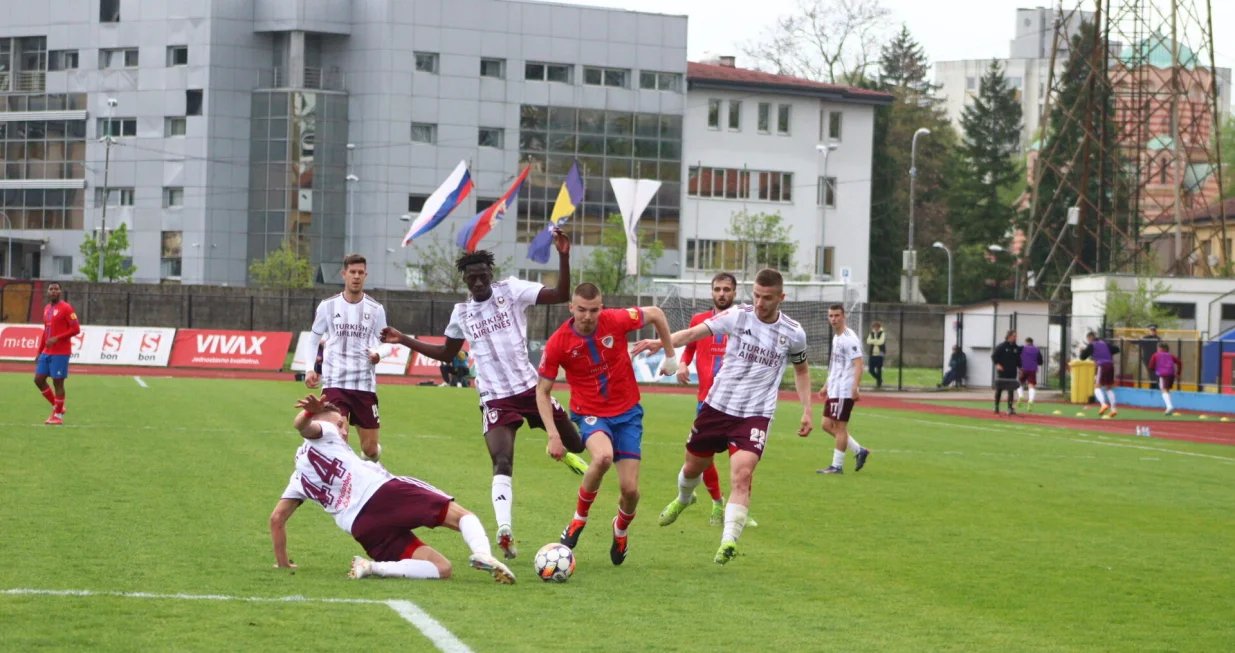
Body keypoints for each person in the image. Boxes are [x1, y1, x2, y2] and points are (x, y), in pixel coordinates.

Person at [382, 232, 587, 561]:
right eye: (471, 278)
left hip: (531, 390)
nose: (478, 283)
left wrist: (563, 255)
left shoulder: (512, 291)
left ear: (491, 274)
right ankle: (505, 530)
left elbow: (561, 294)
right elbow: (447, 354)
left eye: (482, 276)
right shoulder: (461, 313)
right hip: (495, 398)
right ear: (464, 280)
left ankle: (567, 455)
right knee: (502, 460)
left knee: (576, 444)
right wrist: (403, 339)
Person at [639, 268, 813, 565]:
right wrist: (662, 343)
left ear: (781, 298)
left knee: (742, 475)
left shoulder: (794, 333)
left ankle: (728, 541)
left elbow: (801, 370)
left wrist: (807, 409)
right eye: (756, 295)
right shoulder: (738, 316)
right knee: (692, 467)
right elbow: (693, 333)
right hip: (717, 405)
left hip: (755, 414)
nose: (760, 303)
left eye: (767, 298)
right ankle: (685, 498)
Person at [268, 394, 515, 584]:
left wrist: (282, 563)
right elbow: (302, 426)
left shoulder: (298, 477)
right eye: (340, 424)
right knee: (462, 516)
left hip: (362, 528)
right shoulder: (326, 431)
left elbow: (277, 519)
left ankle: (371, 567)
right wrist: (309, 413)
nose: (344, 431)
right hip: (382, 495)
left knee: (442, 568)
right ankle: (483, 553)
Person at [538, 283, 676, 566]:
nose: (588, 316)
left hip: (627, 414)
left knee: (630, 490)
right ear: (571, 308)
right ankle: (578, 520)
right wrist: (553, 434)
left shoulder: (615, 320)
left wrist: (671, 355)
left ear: (601, 308)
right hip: (590, 412)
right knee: (602, 457)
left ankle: (620, 530)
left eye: (594, 310)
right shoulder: (558, 343)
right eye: (581, 310)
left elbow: (656, 314)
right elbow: (542, 391)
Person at [676, 272, 756, 528]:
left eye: (726, 289)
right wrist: (683, 363)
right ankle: (717, 502)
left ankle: (741, 509)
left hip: (739, 403)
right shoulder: (699, 320)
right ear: (712, 292)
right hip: (707, 401)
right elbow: (689, 346)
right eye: (718, 289)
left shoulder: (746, 320)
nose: (722, 294)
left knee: (743, 460)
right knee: (703, 458)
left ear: (735, 293)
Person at [303, 254, 391, 462]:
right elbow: (313, 339)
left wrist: (378, 354)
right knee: (337, 440)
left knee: (370, 450)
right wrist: (309, 368)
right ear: (344, 274)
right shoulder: (328, 306)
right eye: (352, 272)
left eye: (360, 272)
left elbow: (386, 343)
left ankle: (368, 466)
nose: (356, 276)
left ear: (365, 275)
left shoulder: (376, 309)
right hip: (335, 383)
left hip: (364, 385)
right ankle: (345, 480)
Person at [817, 304, 871, 474]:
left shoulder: (849, 338)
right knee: (826, 425)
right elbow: (836, 365)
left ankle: (837, 466)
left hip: (844, 390)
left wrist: (855, 388)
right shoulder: (837, 337)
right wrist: (826, 385)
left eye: (836, 315)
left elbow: (859, 364)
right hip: (835, 388)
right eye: (831, 316)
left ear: (843, 316)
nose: (833, 319)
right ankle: (859, 450)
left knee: (840, 429)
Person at [34, 282, 80, 426]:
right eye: (51, 289)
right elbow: (45, 331)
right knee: (38, 380)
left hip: (61, 352)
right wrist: (39, 351)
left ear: (60, 292)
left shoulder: (66, 308)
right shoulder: (47, 308)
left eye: (56, 289)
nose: (53, 291)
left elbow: (76, 329)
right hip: (47, 352)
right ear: (47, 292)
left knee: (58, 382)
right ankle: (58, 405)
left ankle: (58, 415)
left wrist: (57, 338)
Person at [1080, 331, 1122, 418]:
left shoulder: (1092, 345)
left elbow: (1082, 357)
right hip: (1110, 365)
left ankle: (1103, 405)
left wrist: (1082, 350)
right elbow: (1117, 349)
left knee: (1097, 387)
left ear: (1090, 338)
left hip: (1102, 366)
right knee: (1108, 388)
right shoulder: (1105, 344)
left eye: (1088, 340)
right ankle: (1113, 409)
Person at [991, 330, 1021, 416]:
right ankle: (996, 406)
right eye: (1014, 336)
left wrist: (1021, 368)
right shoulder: (1002, 346)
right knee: (999, 389)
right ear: (1009, 336)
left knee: (1011, 390)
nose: (1015, 337)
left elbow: (1018, 360)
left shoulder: (1016, 348)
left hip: (1012, 372)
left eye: (1016, 336)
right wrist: (997, 364)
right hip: (1003, 372)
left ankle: (1010, 408)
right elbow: (994, 356)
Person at [1147, 342, 1182, 416]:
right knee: (1167, 390)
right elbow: (1179, 362)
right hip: (1171, 374)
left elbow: (1151, 366)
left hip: (1163, 374)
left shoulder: (1156, 355)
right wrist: (1178, 373)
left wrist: (1156, 370)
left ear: (1160, 348)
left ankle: (1169, 406)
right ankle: (1170, 409)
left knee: (1163, 390)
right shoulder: (1170, 355)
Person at [1016, 337, 1044, 412]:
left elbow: (1017, 356)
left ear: (1026, 342)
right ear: (1032, 343)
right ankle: (1030, 401)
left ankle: (1021, 396)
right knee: (1031, 385)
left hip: (1023, 369)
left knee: (1019, 383)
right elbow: (1040, 362)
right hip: (1032, 370)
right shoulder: (1036, 349)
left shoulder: (1022, 348)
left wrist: (1019, 365)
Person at [866, 321, 887, 389]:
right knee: (870, 370)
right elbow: (868, 341)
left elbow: (881, 342)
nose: (876, 329)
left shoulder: (882, 333)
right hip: (872, 354)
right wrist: (876, 341)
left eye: (877, 327)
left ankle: (878, 384)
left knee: (879, 369)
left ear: (879, 327)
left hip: (880, 354)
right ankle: (879, 379)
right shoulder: (871, 333)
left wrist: (873, 341)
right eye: (874, 327)